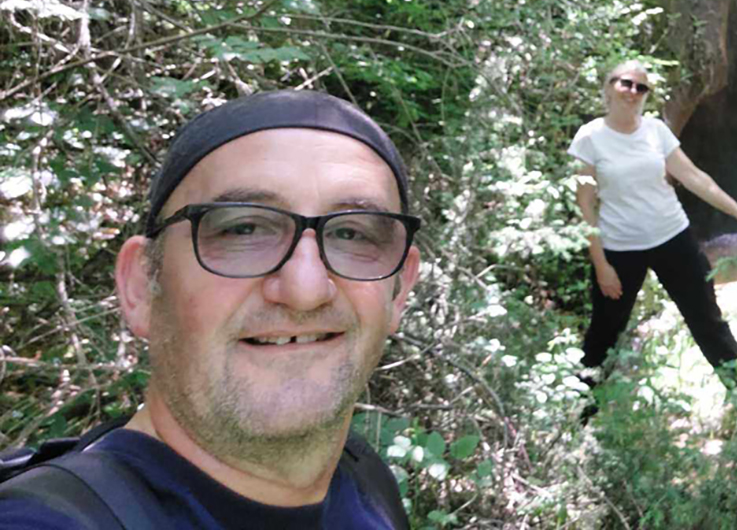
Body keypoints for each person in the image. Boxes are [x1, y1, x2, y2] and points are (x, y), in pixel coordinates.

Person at [0, 90, 421, 528]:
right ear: (142, 286)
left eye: (353, 234)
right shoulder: (44, 519)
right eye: (243, 229)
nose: (305, 289)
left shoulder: (367, 486)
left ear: (398, 291)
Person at [570, 60, 737, 383]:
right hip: (620, 248)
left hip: (673, 238)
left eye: (641, 87)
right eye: (626, 83)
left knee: (708, 321)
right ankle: (582, 406)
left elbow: (695, 178)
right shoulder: (590, 137)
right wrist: (601, 264)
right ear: (609, 87)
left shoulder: (655, 131)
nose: (633, 91)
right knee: (603, 335)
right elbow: (585, 203)